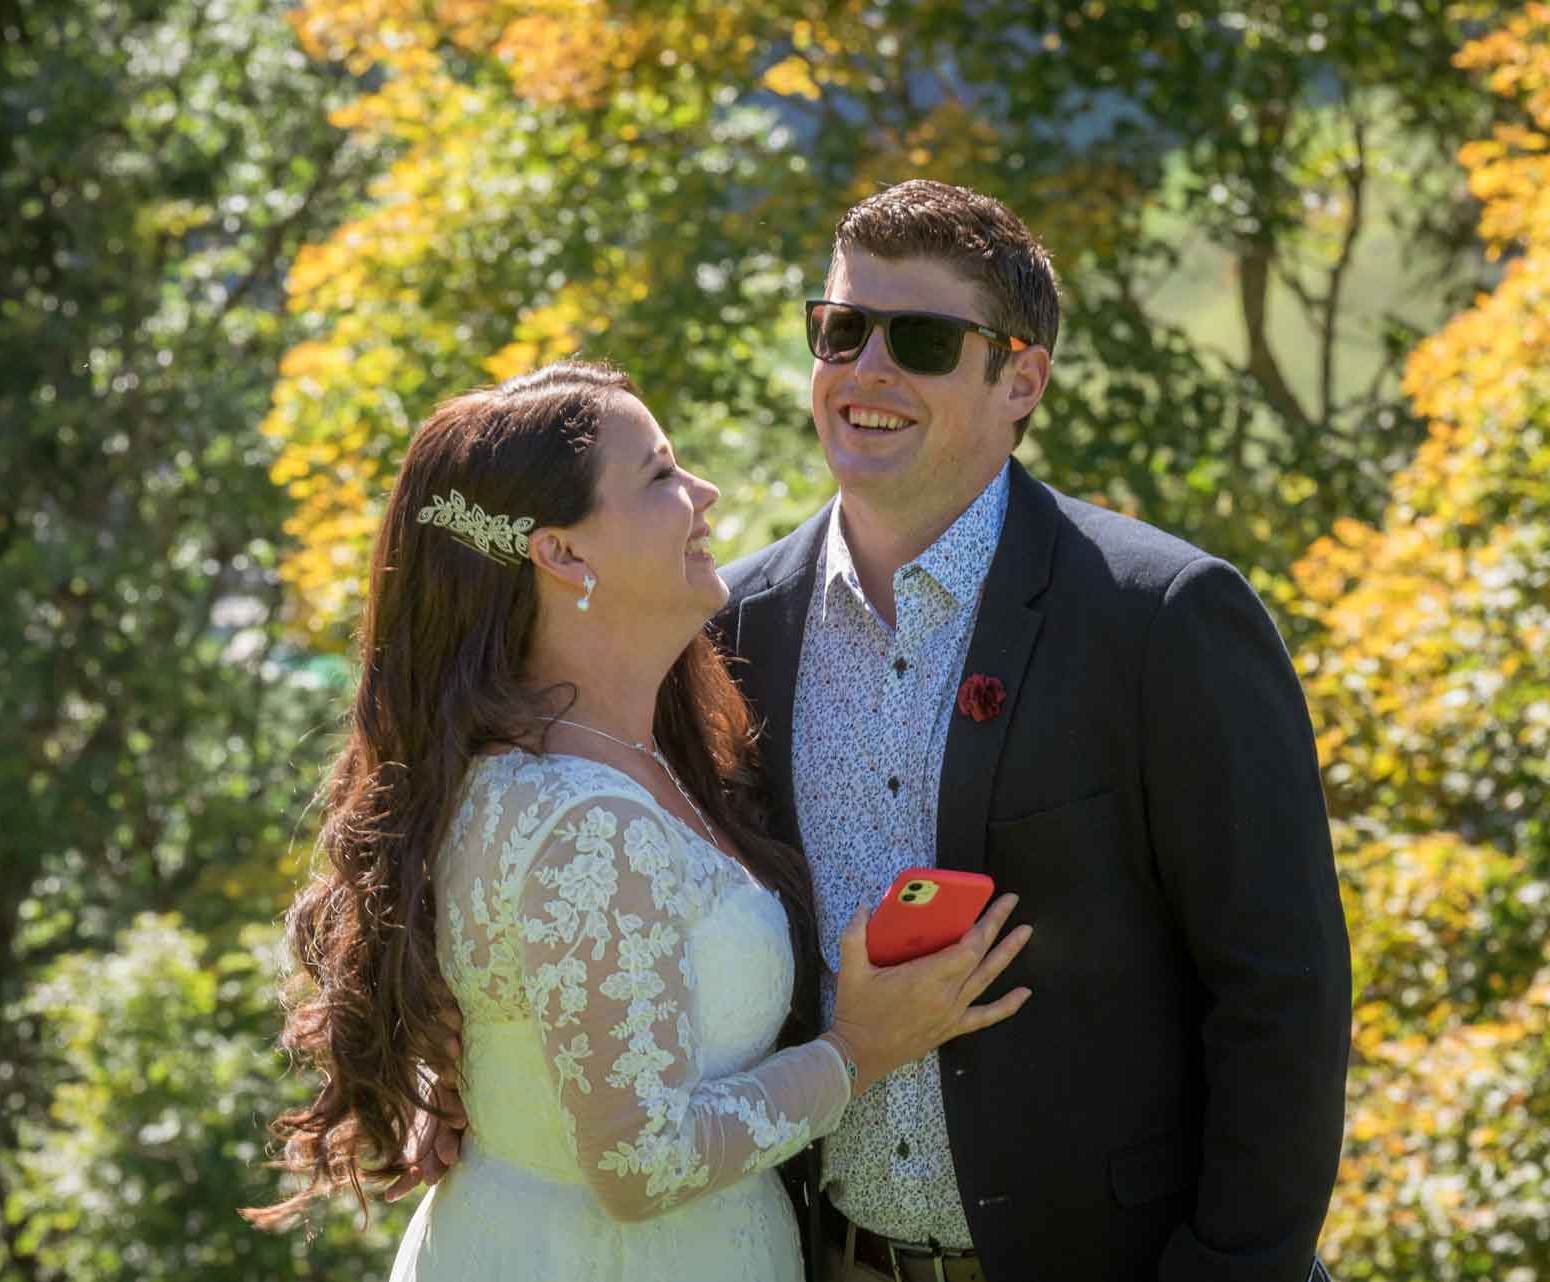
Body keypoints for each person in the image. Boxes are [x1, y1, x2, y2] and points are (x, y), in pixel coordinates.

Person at [242, 360, 1035, 1282]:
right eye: (661, 475)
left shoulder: (610, 748)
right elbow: (639, 1163)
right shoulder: (585, 817)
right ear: (564, 555)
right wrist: (858, 1051)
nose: (705, 492)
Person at [709, 180, 1352, 1281]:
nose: (866, 370)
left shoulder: (1163, 616)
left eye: (920, 339)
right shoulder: (729, 627)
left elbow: (1282, 991)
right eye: (843, 329)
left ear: (1021, 379)